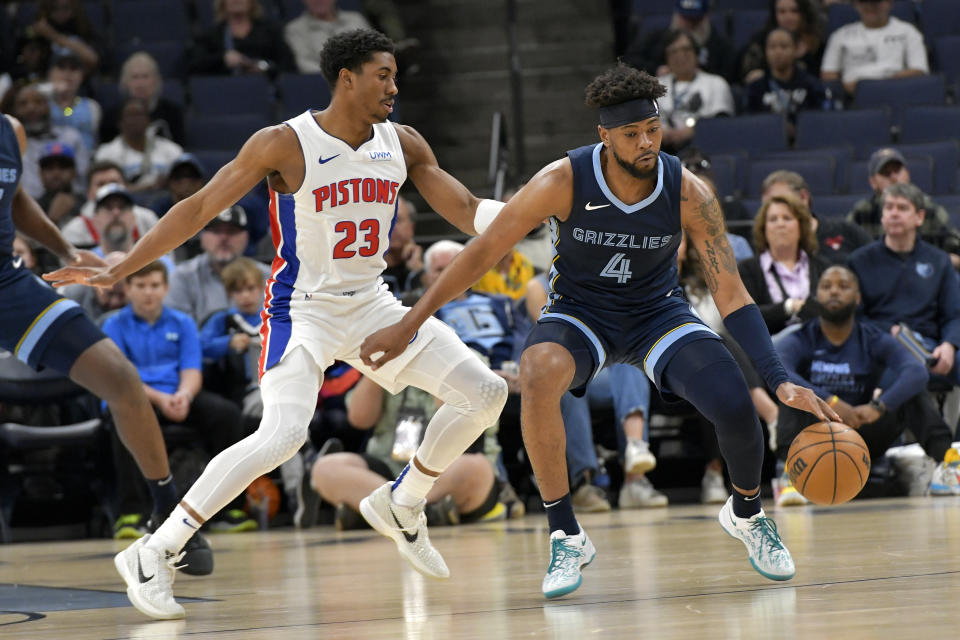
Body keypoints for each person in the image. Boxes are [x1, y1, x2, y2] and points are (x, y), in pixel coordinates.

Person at [45, 29, 508, 620]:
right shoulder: (285, 143)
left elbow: (468, 211)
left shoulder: (405, 143)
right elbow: (197, 208)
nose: (394, 87)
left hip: (373, 302)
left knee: (486, 392)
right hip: (302, 309)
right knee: (285, 434)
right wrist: (122, 267)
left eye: (395, 76)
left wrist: (537, 212)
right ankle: (154, 551)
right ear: (347, 77)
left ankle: (404, 502)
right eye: (383, 75)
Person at [359, 63, 837, 599]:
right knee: (539, 371)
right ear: (604, 137)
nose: (646, 143)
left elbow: (731, 293)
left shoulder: (688, 191)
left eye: (653, 130)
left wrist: (777, 378)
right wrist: (408, 322)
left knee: (734, 403)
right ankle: (565, 533)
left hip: (659, 313)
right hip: (581, 312)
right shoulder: (561, 181)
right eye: (631, 134)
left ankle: (747, 512)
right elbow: (483, 253)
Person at [0, 112, 211, 573]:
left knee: (119, 376)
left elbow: (14, 200)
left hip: (6, 284)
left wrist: (67, 250)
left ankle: (169, 517)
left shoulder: (12, 130)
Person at [775, 265, 959, 504]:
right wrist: (829, 402)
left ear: (858, 297)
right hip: (813, 432)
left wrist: (879, 406)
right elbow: (780, 372)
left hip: (861, 429)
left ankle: (947, 463)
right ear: (816, 295)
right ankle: (790, 472)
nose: (834, 292)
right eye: (826, 286)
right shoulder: (801, 338)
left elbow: (915, 371)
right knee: (791, 392)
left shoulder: (871, 337)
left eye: (843, 286)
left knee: (912, 392)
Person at [103, 261, 254, 536]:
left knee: (228, 415)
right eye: (141, 286)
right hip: (135, 396)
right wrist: (161, 399)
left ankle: (227, 509)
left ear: (166, 288)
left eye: (155, 285)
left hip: (178, 393)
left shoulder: (182, 322)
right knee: (121, 418)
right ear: (128, 289)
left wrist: (184, 395)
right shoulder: (114, 325)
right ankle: (131, 513)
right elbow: (120, 377)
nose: (148, 292)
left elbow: (192, 370)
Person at [848, 183, 960, 385]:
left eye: (902, 208)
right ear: (882, 216)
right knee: (901, 373)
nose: (894, 213)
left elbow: (953, 314)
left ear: (920, 217)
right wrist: (887, 329)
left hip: (931, 345)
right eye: (889, 207)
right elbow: (854, 318)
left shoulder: (939, 260)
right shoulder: (859, 261)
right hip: (880, 346)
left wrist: (949, 345)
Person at [846, 148, 960, 267]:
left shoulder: (930, 209)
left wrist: (932, 263)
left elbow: (956, 253)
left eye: (897, 170)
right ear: (873, 182)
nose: (894, 177)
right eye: (886, 173)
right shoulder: (861, 212)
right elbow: (845, 251)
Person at [738, 194, 830, 335]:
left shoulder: (823, 267)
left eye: (787, 218)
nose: (780, 224)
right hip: (771, 347)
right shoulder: (747, 269)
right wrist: (789, 307)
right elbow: (747, 318)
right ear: (764, 229)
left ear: (801, 226)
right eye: (773, 219)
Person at [166, 205, 269, 325]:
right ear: (202, 236)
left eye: (232, 231)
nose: (224, 238)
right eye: (216, 231)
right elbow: (178, 331)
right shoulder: (181, 277)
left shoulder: (269, 277)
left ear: (246, 237)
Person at [820, 0, 928, 97]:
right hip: (853, 97)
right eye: (864, 2)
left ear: (890, 3)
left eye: (876, 1)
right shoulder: (840, 35)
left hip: (898, 93)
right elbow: (828, 74)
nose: (870, 6)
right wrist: (847, 88)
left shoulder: (908, 31)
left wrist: (881, 87)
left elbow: (919, 70)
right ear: (856, 4)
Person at [762, 170, 870, 265]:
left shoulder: (846, 230)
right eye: (768, 206)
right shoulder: (766, 245)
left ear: (803, 197)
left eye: (781, 201)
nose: (774, 209)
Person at [655, 29, 735, 153]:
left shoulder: (716, 83)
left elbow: (722, 124)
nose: (680, 56)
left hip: (707, 148)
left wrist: (695, 131)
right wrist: (660, 132)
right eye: (673, 51)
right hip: (663, 151)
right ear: (666, 58)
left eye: (686, 49)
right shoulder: (655, 86)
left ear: (697, 54)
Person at [742, 28, 828, 138]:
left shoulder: (811, 85)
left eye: (784, 46)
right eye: (772, 47)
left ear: (796, 50)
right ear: (765, 51)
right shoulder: (756, 87)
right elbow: (747, 123)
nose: (778, 52)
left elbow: (821, 121)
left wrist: (797, 130)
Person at [10, 82, 89, 199]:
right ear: (15, 110)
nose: (31, 108)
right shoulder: (9, 145)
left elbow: (82, 182)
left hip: (70, 205)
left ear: (49, 105)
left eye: (38, 102)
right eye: (23, 104)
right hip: (24, 211)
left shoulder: (71, 137)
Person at [94, 97, 184, 193]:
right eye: (130, 115)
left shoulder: (172, 150)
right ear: (120, 122)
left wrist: (169, 183)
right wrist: (146, 187)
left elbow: (185, 185)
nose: (135, 120)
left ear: (149, 120)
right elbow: (106, 191)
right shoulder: (106, 153)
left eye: (140, 115)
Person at [189, 0, 296, 77]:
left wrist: (265, 68)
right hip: (227, 91)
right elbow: (195, 63)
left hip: (266, 89)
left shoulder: (270, 32)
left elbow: (288, 64)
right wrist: (223, 59)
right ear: (222, 3)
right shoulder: (211, 35)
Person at [100, 51, 184, 145]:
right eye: (135, 77)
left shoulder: (173, 114)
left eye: (145, 76)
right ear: (125, 83)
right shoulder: (112, 116)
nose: (140, 84)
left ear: (156, 81)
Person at [739, 0, 826, 82]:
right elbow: (748, 74)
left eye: (794, 11)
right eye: (782, 12)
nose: (788, 17)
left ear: (804, 13)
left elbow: (821, 79)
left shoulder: (816, 43)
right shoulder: (761, 40)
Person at [284, 0, 372, 74]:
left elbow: (372, 50)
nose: (318, 1)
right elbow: (305, 64)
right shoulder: (295, 29)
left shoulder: (356, 19)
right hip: (325, 84)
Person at [35, 140, 82, 227]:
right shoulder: (32, 208)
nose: (56, 173)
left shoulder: (85, 204)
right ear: (41, 173)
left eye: (63, 167)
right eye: (50, 168)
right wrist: (52, 219)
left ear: (74, 172)